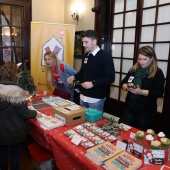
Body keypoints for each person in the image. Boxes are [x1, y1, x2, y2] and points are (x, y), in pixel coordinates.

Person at [0, 61, 42, 170]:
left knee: (2, 156)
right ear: (15, 75)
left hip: (1, 131)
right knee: (15, 156)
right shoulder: (17, 91)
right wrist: (36, 113)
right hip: (15, 131)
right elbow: (25, 113)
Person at [67, 30, 115, 111]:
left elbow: (111, 78)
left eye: (86, 42)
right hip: (83, 97)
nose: (83, 45)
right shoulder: (85, 56)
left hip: (96, 99)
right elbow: (82, 72)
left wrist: (93, 83)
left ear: (94, 41)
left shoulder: (105, 56)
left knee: (94, 123)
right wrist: (73, 77)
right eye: (83, 42)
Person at [120, 46, 165, 131]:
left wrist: (141, 92)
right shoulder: (134, 69)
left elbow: (159, 92)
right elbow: (122, 83)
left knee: (139, 137)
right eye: (139, 59)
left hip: (145, 112)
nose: (141, 62)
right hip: (129, 108)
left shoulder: (157, 72)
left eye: (144, 59)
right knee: (124, 132)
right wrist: (127, 87)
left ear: (151, 58)